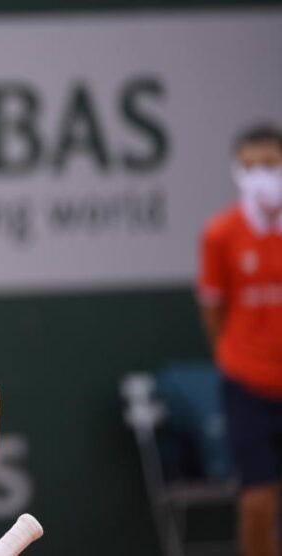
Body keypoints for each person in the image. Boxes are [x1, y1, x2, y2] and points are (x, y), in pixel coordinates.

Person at [197, 124, 282, 556]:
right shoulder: (220, 234)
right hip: (247, 383)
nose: (261, 176)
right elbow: (213, 307)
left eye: (270, 165)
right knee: (256, 503)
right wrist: (235, 357)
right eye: (250, 167)